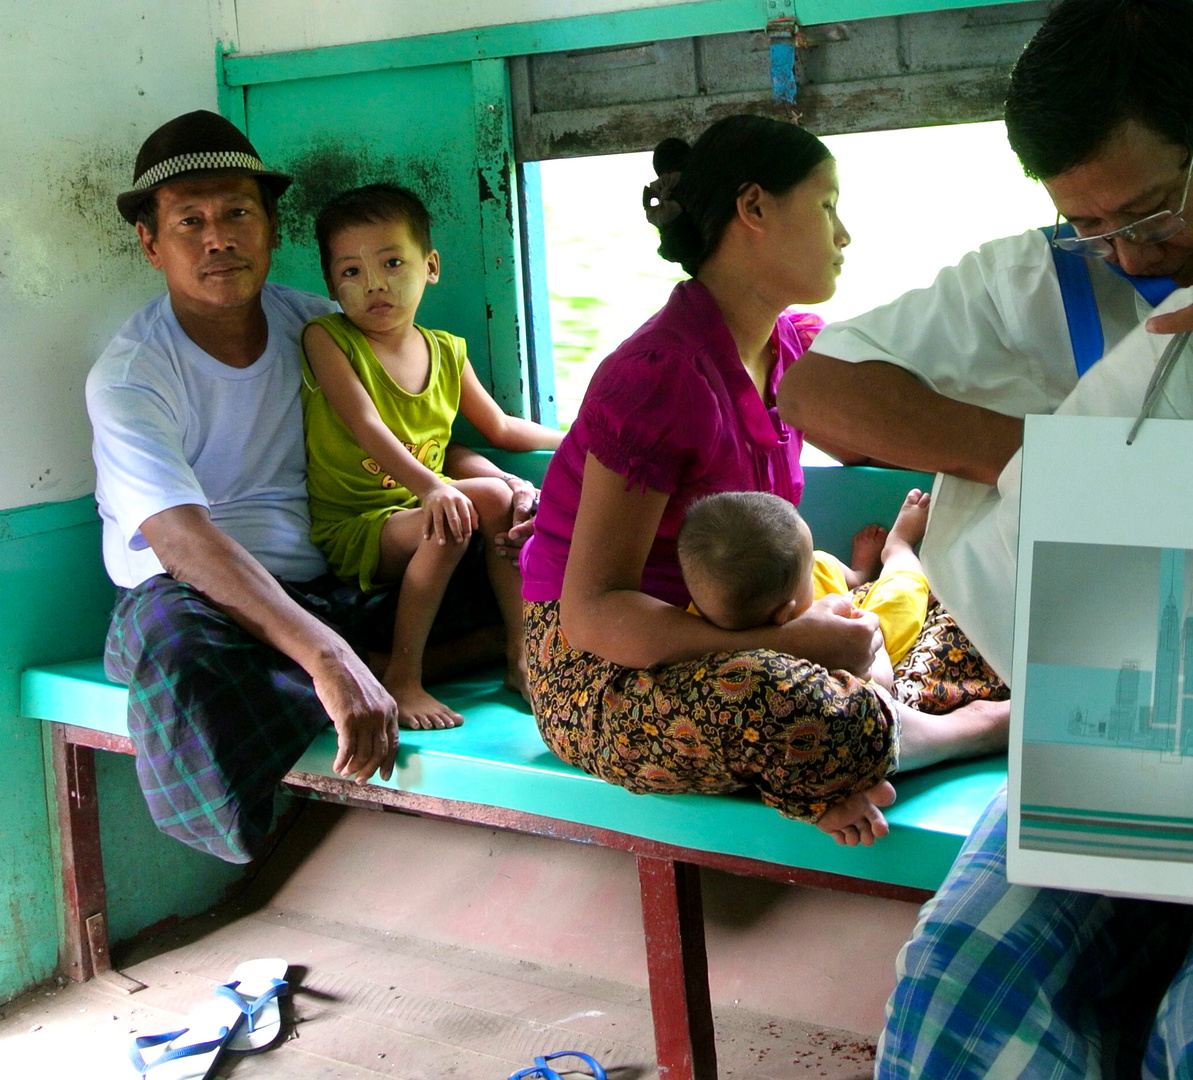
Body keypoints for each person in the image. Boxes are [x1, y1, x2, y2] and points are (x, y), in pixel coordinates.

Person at [777, 1, 1193, 1074]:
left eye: (1148, 211)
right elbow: (817, 388)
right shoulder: (1059, 277)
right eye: (1092, 223)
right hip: (1119, 737)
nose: (1130, 251)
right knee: (957, 994)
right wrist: (1040, 459)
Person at [518, 114, 1008, 849]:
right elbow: (593, 616)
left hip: (756, 625)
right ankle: (935, 731)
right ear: (753, 209)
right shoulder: (655, 378)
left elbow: (885, 429)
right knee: (793, 710)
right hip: (605, 667)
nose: (843, 234)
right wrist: (798, 646)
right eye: (825, 205)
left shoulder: (797, 355)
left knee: (976, 600)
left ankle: (887, 729)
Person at [86, 112, 524, 863]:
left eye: (236, 214)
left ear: (270, 226)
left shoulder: (320, 325)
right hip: (196, 596)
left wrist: (500, 486)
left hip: (335, 577)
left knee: (520, 553)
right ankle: (352, 674)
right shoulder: (132, 375)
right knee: (183, 660)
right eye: (189, 221)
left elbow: (418, 440)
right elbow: (182, 540)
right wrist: (326, 655)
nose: (217, 237)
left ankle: (392, 661)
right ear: (151, 244)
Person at [300, 184, 562, 730]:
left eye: (393, 262)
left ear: (431, 265)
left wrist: (584, 438)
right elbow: (366, 426)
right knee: (454, 516)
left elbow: (503, 427)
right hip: (359, 526)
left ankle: (522, 655)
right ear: (330, 284)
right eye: (351, 272)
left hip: (424, 503)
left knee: (503, 500)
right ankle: (402, 675)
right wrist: (432, 487)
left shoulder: (446, 351)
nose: (375, 284)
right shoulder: (328, 339)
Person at [677, 488, 931, 690]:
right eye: (809, 572)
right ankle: (899, 548)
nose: (816, 566)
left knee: (816, 562)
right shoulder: (811, 670)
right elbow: (881, 683)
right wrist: (876, 640)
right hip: (852, 633)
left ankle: (859, 575)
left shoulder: (701, 613)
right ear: (785, 614)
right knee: (902, 595)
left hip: (794, 597)